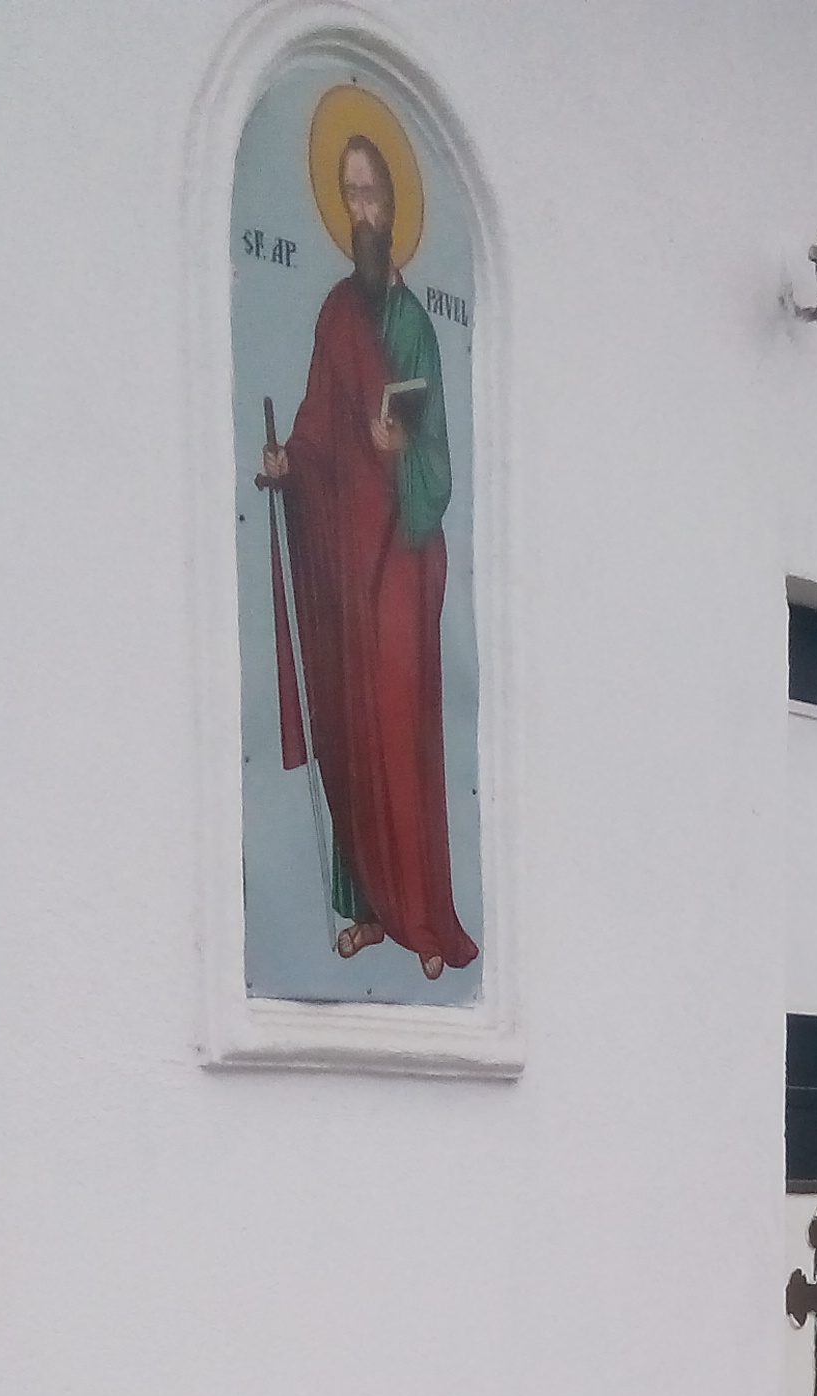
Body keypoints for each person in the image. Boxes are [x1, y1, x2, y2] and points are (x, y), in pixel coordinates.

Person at [257, 129, 479, 978]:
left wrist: (399, 450)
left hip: (400, 566)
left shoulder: (415, 326)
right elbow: (317, 423)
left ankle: (420, 916)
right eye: (350, 194)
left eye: (373, 194)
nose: (362, 209)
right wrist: (291, 463)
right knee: (352, 734)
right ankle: (368, 911)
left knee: (398, 735)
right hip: (347, 566)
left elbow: (438, 464)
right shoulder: (335, 314)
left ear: (395, 205)